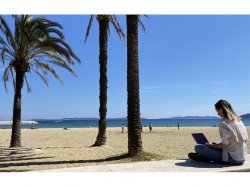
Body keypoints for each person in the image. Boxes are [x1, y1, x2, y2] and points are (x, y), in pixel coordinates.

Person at [188, 99, 248, 165]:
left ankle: (206, 158)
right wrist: (216, 144)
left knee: (198, 147)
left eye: (217, 111)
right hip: (242, 158)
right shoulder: (239, 121)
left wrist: (212, 146)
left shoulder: (224, 123)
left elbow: (224, 145)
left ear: (221, 109)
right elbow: (233, 140)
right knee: (213, 145)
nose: (217, 114)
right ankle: (206, 157)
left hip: (231, 159)